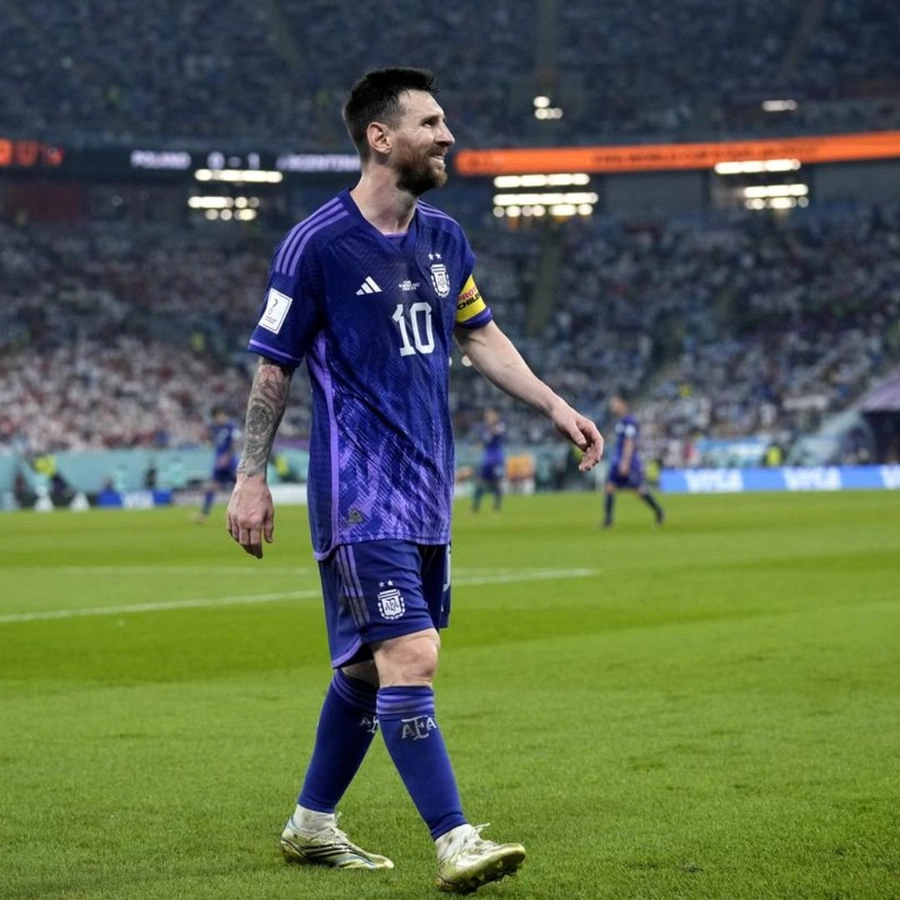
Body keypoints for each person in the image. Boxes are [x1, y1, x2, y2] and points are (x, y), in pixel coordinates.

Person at [226, 68, 604, 894]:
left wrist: (554, 404)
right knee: (411, 655)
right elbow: (273, 367)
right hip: (359, 493)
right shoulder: (318, 243)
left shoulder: (444, 240)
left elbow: (480, 335)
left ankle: (311, 825)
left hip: (429, 491)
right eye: (430, 123)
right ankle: (454, 839)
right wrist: (250, 477)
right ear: (381, 137)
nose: (447, 136)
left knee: (368, 671)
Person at [602, 391, 665, 528]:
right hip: (618, 460)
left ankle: (659, 511)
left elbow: (629, 442)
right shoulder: (620, 421)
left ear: (623, 403)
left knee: (638, 489)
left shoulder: (629, 422)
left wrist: (625, 462)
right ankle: (608, 520)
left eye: (615, 402)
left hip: (627, 462)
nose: (613, 405)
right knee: (609, 487)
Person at [193, 406, 239, 522]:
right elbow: (213, 441)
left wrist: (227, 456)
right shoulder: (216, 428)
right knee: (212, 486)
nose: (217, 419)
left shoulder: (231, 426)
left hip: (230, 462)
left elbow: (235, 443)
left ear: (221, 414)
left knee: (238, 487)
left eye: (217, 416)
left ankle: (241, 511)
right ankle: (204, 514)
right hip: (219, 462)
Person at [471, 408, 506, 513]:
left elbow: (496, 433)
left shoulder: (500, 425)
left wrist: (490, 425)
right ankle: (475, 507)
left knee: (496, 482)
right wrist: (476, 448)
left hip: (497, 458)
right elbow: (484, 442)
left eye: (489, 416)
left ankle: (496, 507)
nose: (487, 418)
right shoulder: (486, 430)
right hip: (487, 459)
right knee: (480, 482)